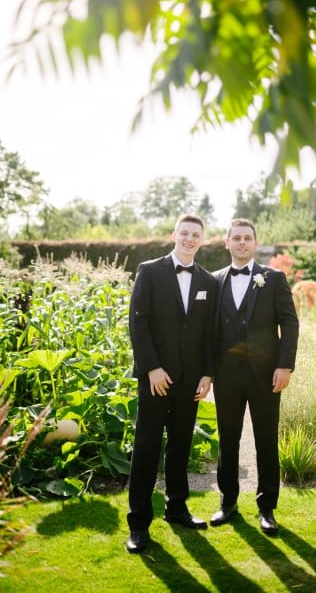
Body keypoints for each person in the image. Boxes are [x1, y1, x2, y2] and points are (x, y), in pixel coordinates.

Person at [125, 214, 219, 553]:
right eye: (185, 233)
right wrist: (152, 368)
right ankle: (138, 525)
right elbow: (138, 323)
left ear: (202, 240)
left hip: (189, 380)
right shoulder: (149, 271)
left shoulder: (209, 281)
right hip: (156, 379)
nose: (190, 238)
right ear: (173, 235)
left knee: (180, 447)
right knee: (147, 448)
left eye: (196, 234)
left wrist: (208, 374)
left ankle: (177, 509)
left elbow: (210, 334)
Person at [208, 219, 299, 535]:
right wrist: (208, 372)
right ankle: (227, 502)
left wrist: (285, 366)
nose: (242, 243)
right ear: (227, 242)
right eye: (237, 238)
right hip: (226, 376)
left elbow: (289, 324)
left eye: (247, 238)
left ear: (256, 243)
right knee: (228, 439)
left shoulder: (273, 279)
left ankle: (267, 509)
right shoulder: (214, 280)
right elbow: (208, 332)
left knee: (266, 440)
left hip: (266, 376)